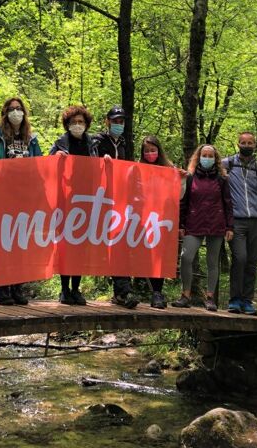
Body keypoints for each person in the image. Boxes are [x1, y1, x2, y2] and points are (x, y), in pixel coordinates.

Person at [0, 97, 42, 306]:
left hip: (25, 196)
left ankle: (18, 287)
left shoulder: (32, 138)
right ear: (5, 112)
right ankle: (3, 289)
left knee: (21, 242)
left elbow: (39, 166)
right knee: (4, 242)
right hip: (3, 195)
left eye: (19, 109)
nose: (16, 112)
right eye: (12, 109)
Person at [174, 144, 234, 311]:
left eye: (210, 156)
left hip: (216, 223)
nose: (207, 158)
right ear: (198, 157)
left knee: (212, 262)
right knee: (186, 257)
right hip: (193, 222)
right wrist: (181, 224)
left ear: (215, 159)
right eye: (204, 155)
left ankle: (210, 298)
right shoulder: (191, 178)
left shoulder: (222, 180)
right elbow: (183, 202)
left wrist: (230, 227)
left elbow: (228, 204)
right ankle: (185, 295)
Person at [50, 104, 98, 305]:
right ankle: (64, 290)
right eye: (73, 122)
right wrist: (55, 158)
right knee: (65, 246)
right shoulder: (60, 143)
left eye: (81, 122)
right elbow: (45, 166)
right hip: (65, 201)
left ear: (86, 124)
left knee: (80, 246)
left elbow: (99, 170)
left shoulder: (92, 144)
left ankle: (76, 289)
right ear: (67, 124)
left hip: (86, 202)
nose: (77, 125)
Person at [222, 132, 257, 316]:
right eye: (243, 142)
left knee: (251, 262)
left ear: (255, 145)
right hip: (236, 220)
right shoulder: (227, 164)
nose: (246, 145)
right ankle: (234, 299)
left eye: (250, 142)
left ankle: (247, 301)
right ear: (238, 143)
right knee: (240, 258)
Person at [93, 105, 139, 309]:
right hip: (96, 200)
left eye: (121, 121)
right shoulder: (97, 141)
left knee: (120, 244)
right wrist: (99, 162)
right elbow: (86, 162)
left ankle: (123, 291)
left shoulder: (125, 144)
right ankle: (69, 290)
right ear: (107, 121)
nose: (118, 124)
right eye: (115, 121)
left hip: (120, 201)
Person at [138, 135, 177, 309]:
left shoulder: (169, 169)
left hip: (160, 220)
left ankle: (157, 292)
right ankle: (126, 292)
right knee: (141, 255)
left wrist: (181, 177)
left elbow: (178, 194)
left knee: (158, 256)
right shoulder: (137, 168)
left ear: (159, 151)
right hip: (139, 219)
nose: (150, 153)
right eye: (146, 151)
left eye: (153, 150)